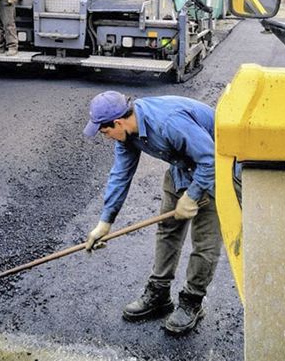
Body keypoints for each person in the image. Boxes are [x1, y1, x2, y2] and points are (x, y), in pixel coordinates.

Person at [82, 91, 220, 335]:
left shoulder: (168, 122)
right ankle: (159, 293)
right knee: (167, 231)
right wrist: (105, 221)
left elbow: (210, 159)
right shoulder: (127, 135)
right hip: (181, 167)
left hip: (214, 172)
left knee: (204, 243)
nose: (107, 138)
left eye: (105, 132)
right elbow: (120, 174)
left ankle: (192, 302)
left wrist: (193, 194)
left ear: (118, 122)